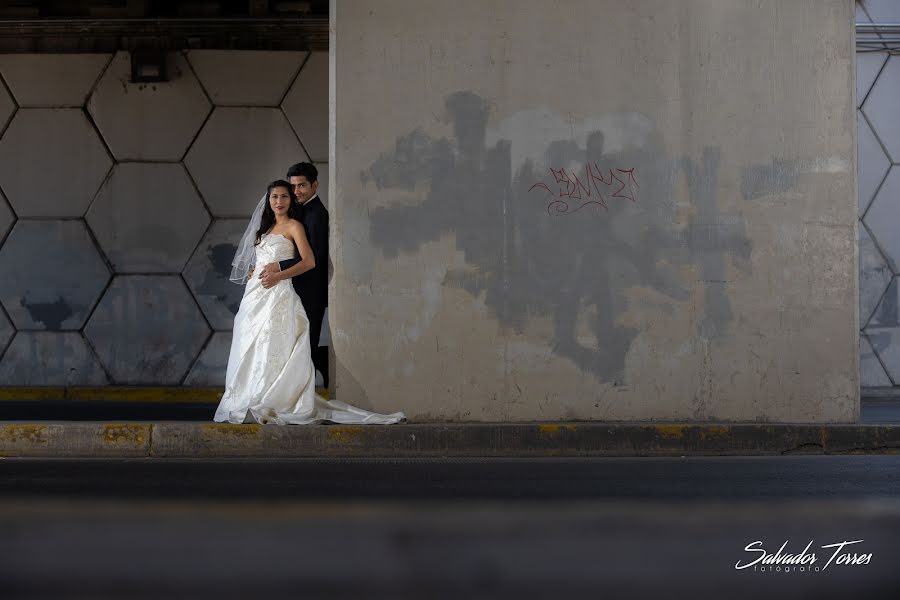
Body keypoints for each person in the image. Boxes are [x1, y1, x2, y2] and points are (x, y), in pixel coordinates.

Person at [214, 180, 405, 425]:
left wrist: (278, 276)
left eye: (284, 196)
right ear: (268, 200)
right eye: (274, 197)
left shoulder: (295, 227)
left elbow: (308, 262)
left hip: (279, 296)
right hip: (254, 297)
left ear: (290, 200)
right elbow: (263, 259)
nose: (279, 202)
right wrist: (254, 271)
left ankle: (273, 397)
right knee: (249, 344)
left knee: (272, 344)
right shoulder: (265, 228)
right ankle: (250, 395)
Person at [257, 163, 329, 387]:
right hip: (290, 289)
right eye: (293, 186)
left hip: (310, 290)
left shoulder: (316, 214)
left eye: (302, 186)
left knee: (305, 345)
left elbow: (312, 258)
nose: (296, 191)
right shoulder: (296, 210)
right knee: (290, 344)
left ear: (315, 185)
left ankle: (318, 367)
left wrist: (277, 267)